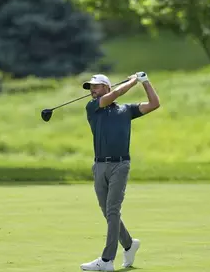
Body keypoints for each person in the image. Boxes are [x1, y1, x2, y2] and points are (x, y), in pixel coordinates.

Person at [79, 72, 161, 271]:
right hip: (99, 166)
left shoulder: (126, 110)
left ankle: (107, 260)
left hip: (120, 165)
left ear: (107, 86)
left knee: (113, 210)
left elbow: (154, 104)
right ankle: (129, 244)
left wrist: (145, 81)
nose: (92, 91)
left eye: (96, 86)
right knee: (107, 211)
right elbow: (114, 96)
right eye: (91, 88)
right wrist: (133, 81)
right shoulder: (93, 107)